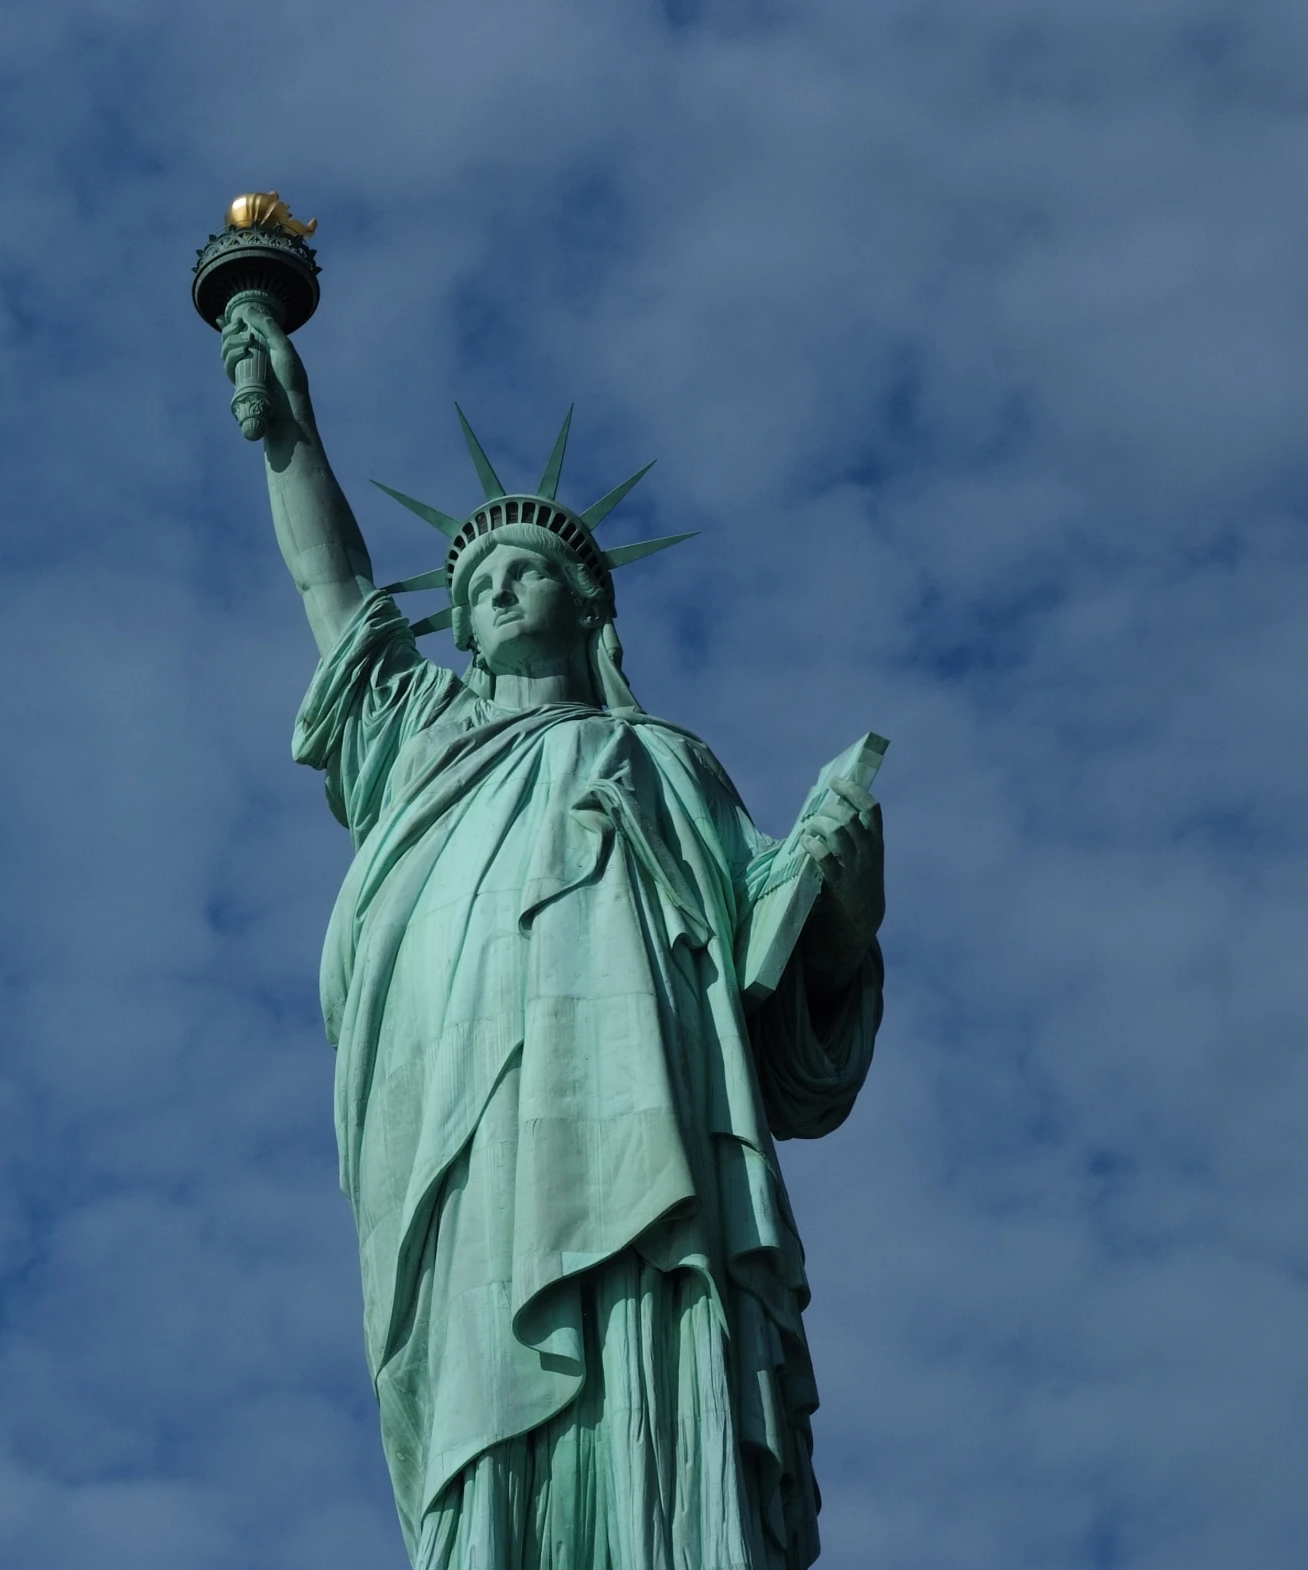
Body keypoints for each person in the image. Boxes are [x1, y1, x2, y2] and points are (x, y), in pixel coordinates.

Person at [219, 299, 885, 1570]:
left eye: (524, 570)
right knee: (488, 1365)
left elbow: (785, 994)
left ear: (588, 604)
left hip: (654, 1121)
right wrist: (291, 433)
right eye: (473, 585)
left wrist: (848, 907)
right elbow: (332, 586)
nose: (497, 589)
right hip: (465, 1121)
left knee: (656, 1326)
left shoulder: (671, 762)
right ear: (458, 627)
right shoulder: (420, 740)